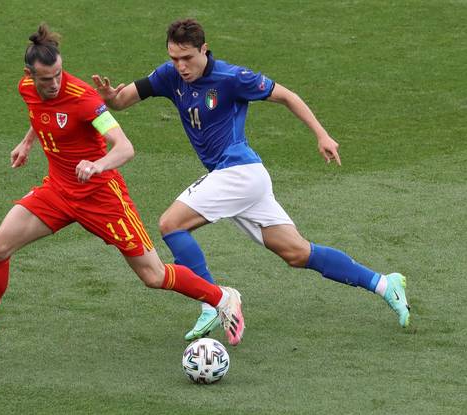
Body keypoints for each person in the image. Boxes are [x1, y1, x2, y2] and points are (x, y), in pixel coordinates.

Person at [92, 18, 410, 341]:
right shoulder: (168, 76)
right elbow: (122, 101)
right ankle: (385, 284)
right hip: (236, 178)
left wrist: (322, 135)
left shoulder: (232, 78)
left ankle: (213, 301)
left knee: (171, 224)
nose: (181, 66)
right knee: (297, 253)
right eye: (174, 58)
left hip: (238, 172)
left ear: (204, 49)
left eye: (187, 58)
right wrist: (109, 98)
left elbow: (287, 96)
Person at [0, 24, 246, 354]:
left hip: (101, 196)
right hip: (58, 191)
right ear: (31, 75)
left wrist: (98, 165)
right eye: (46, 79)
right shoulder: (28, 88)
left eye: (58, 74)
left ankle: (221, 297)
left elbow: (124, 147)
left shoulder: (83, 98)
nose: (55, 83)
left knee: (153, 276)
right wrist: (28, 142)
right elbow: (41, 111)